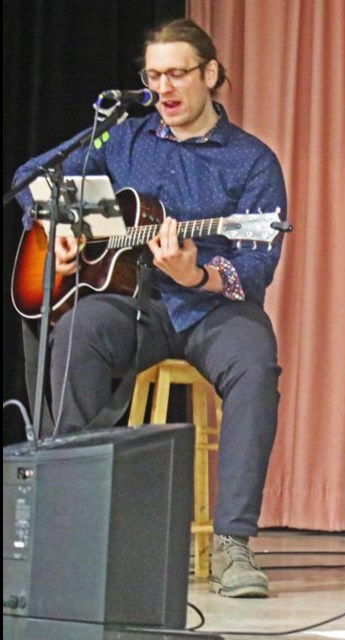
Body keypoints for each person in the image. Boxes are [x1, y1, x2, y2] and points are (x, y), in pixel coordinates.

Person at [13, 19, 287, 598]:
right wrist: (60, 231)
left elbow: (256, 268)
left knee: (255, 362)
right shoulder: (125, 139)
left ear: (210, 75)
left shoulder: (252, 162)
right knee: (78, 329)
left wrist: (199, 273)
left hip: (213, 308)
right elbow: (31, 180)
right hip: (133, 301)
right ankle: (72, 528)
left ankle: (233, 547)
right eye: (153, 75)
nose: (164, 87)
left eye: (177, 73)